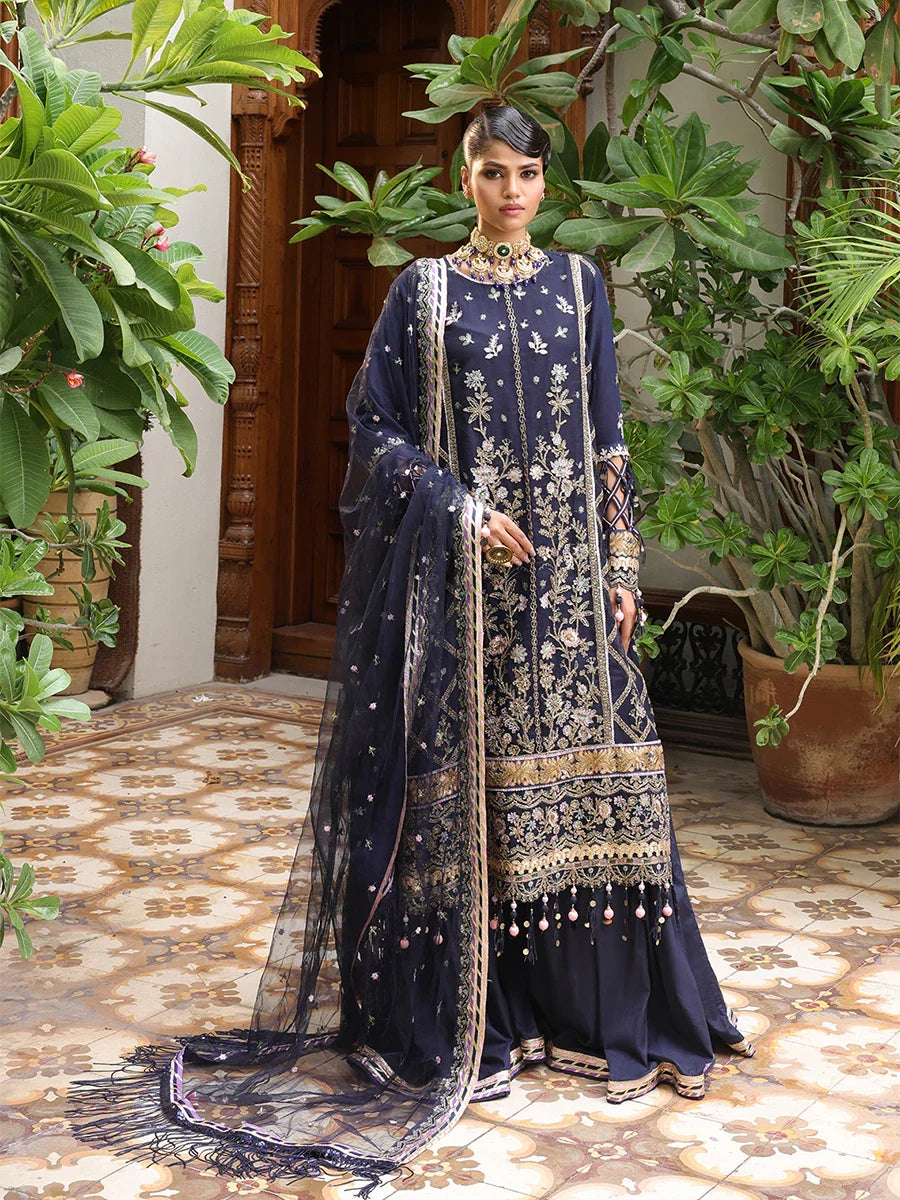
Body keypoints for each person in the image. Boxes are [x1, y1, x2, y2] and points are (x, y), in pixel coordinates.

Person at [70, 103, 752, 1196]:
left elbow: (609, 443)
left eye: (529, 174)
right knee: (471, 798)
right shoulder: (423, 294)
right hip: (468, 598)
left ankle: (598, 1011)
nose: (513, 192)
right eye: (494, 173)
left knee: (604, 789)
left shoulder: (581, 286)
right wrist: (459, 508)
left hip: (573, 595)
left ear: (548, 183)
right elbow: (376, 429)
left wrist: (622, 567)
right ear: (464, 178)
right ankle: (486, 1017)